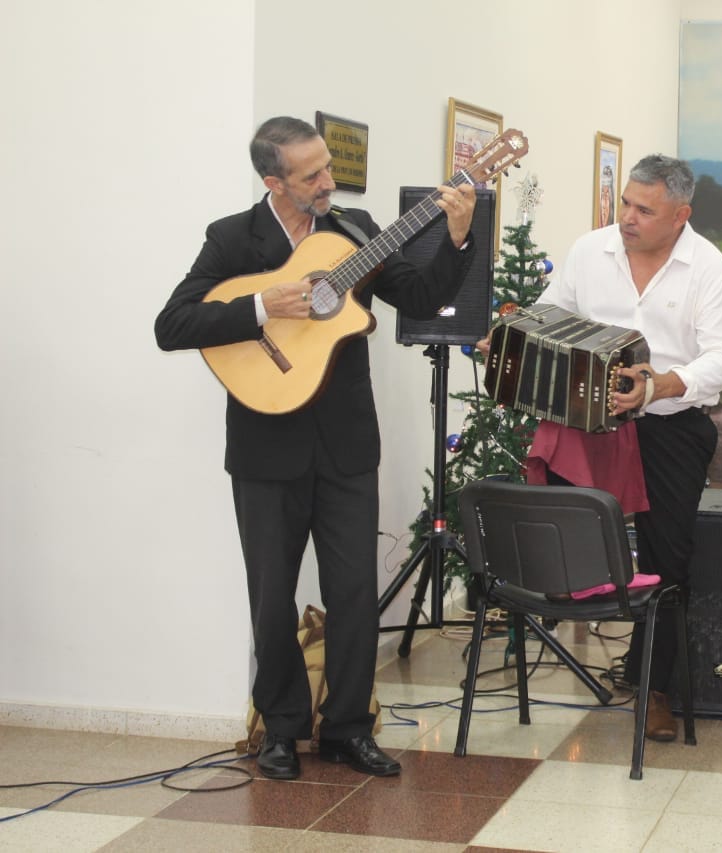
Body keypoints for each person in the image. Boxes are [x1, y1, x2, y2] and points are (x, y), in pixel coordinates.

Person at [155, 116, 477, 780]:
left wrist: (457, 235)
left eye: (328, 166)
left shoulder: (354, 232)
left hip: (346, 445)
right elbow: (173, 324)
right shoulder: (232, 238)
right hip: (265, 446)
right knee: (271, 595)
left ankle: (348, 728)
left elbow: (419, 297)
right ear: (273, 181)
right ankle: (281, 727)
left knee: (354, 591)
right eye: (311, 175)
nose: (328, 181)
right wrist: (261, 306)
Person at [532, 154, 722, 742]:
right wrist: (518, 335)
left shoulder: (710, 269)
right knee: (571, 549)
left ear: (680, 215)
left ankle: (655, 687)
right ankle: (577, 629)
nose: (628, 217)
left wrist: (659, 385)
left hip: (670, 429)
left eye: (644, 210)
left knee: (666, 561)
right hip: (588, 425)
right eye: (626, 203)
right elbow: (551, 313)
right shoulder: (589, 251)